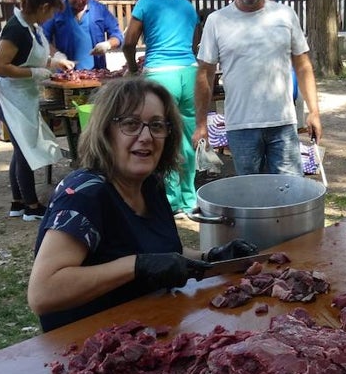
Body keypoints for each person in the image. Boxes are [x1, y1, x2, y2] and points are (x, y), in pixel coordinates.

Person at [27, 79, 258, 331]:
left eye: (157, 125)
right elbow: (43, 293)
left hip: (149, 333)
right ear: (105, 131)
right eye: (131, 124)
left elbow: (160, 253)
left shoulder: (150, 185)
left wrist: (211, 258)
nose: (146, 136)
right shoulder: (84, 194)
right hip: (88, 350)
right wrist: (136, 266)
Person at [193, 0, 322, 176]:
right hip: (241, 128)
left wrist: (314, 112)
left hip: (282, 124)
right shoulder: (217, 21)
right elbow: (205, 74)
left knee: (289, 194)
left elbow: (302, 66)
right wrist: (201, 124)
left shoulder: (285, 15)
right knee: (251, 200)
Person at [123, 0, 200, 215]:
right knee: (188, 137)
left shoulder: (145, 3)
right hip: (189, 72)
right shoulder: (187, 6)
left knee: (161, 136)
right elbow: (195, 41)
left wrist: (134, 69)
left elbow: (129, 41)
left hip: (160, 73)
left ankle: (171, 199)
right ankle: (190, 197)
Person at [0, 0, 68, 221]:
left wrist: (54, 63)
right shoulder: (16, 28)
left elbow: (32, 56)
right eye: (53, 10)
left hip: (24, 95)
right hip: (9, 97)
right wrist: (34, 73)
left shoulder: (32, 27)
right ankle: (32, 207)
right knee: (25, 151)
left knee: (19, 149)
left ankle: (18, 202)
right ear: (44, 7)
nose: (52, 15)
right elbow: (0, 67)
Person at [43, 0, 123, 70]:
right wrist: (57, 55)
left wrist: (108, 44)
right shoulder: (57, 11)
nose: (79, 1)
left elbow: (117, 35)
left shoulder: (99, 9)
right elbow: (43, 39)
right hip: (65, 75)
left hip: (97, 74)